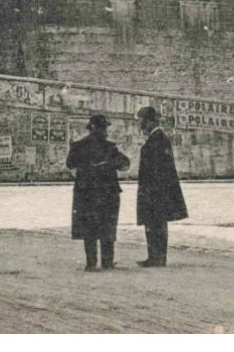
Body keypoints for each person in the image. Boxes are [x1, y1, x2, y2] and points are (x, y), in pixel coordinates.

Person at [67, 114, 131, 271]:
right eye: (104, 128)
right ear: (100, 129)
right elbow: (125, 165)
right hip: (107, 193)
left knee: (89, 228)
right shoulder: (110, 147)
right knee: (107, 227)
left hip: (86, 193)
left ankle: (91, 263)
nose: (105, 132)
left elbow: (70, 164)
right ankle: (107, 262)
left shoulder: (78, 146)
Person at [134, 106, 188, 267]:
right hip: (154, 190)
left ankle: (157, 258)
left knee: (156, 223)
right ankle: (155, 257)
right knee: (153, 223)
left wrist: (153, 191)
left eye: (142, 121)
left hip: (155, 191)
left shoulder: (158, 139)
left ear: (150, 121)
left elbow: (159, 169)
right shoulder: (155, 137)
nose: (140, 125)